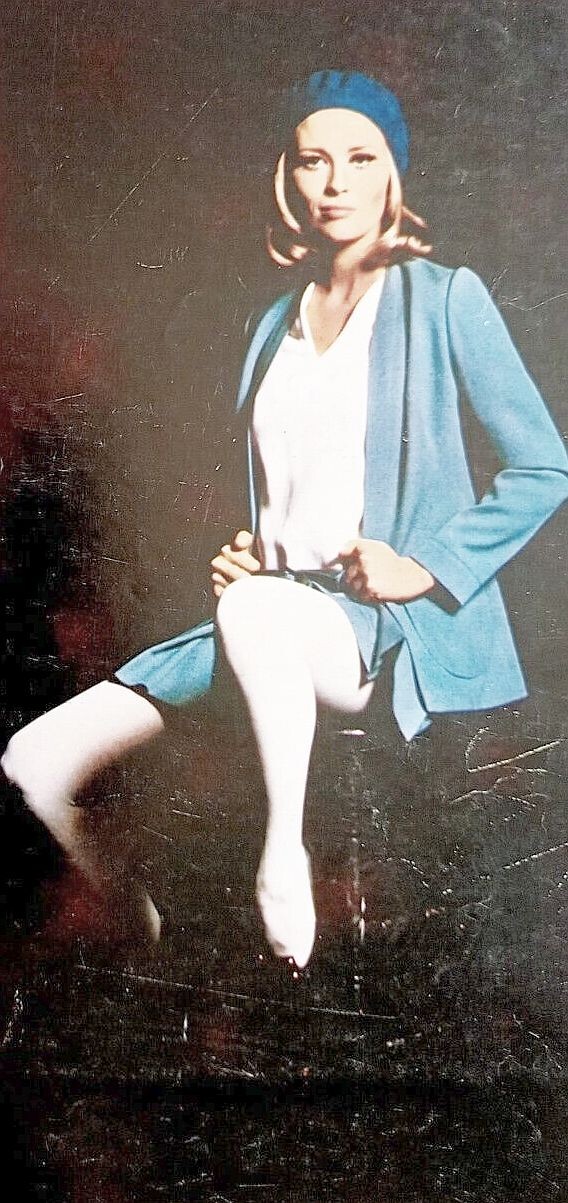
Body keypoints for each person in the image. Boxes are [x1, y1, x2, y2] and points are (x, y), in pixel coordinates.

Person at [2, 70, 568, 970]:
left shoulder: (444, 297)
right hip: (267, 614)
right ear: (288, 177)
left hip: (384, 629)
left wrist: (425, 566)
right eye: (313, 160)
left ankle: (282, 857)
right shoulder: (272, 325)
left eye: (360, 158)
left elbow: (545, 466)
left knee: (262, 612)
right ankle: (145, 939)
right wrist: (244, 552)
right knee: (33, 764)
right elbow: (289, 491)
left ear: (393, 174)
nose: (335, 182)